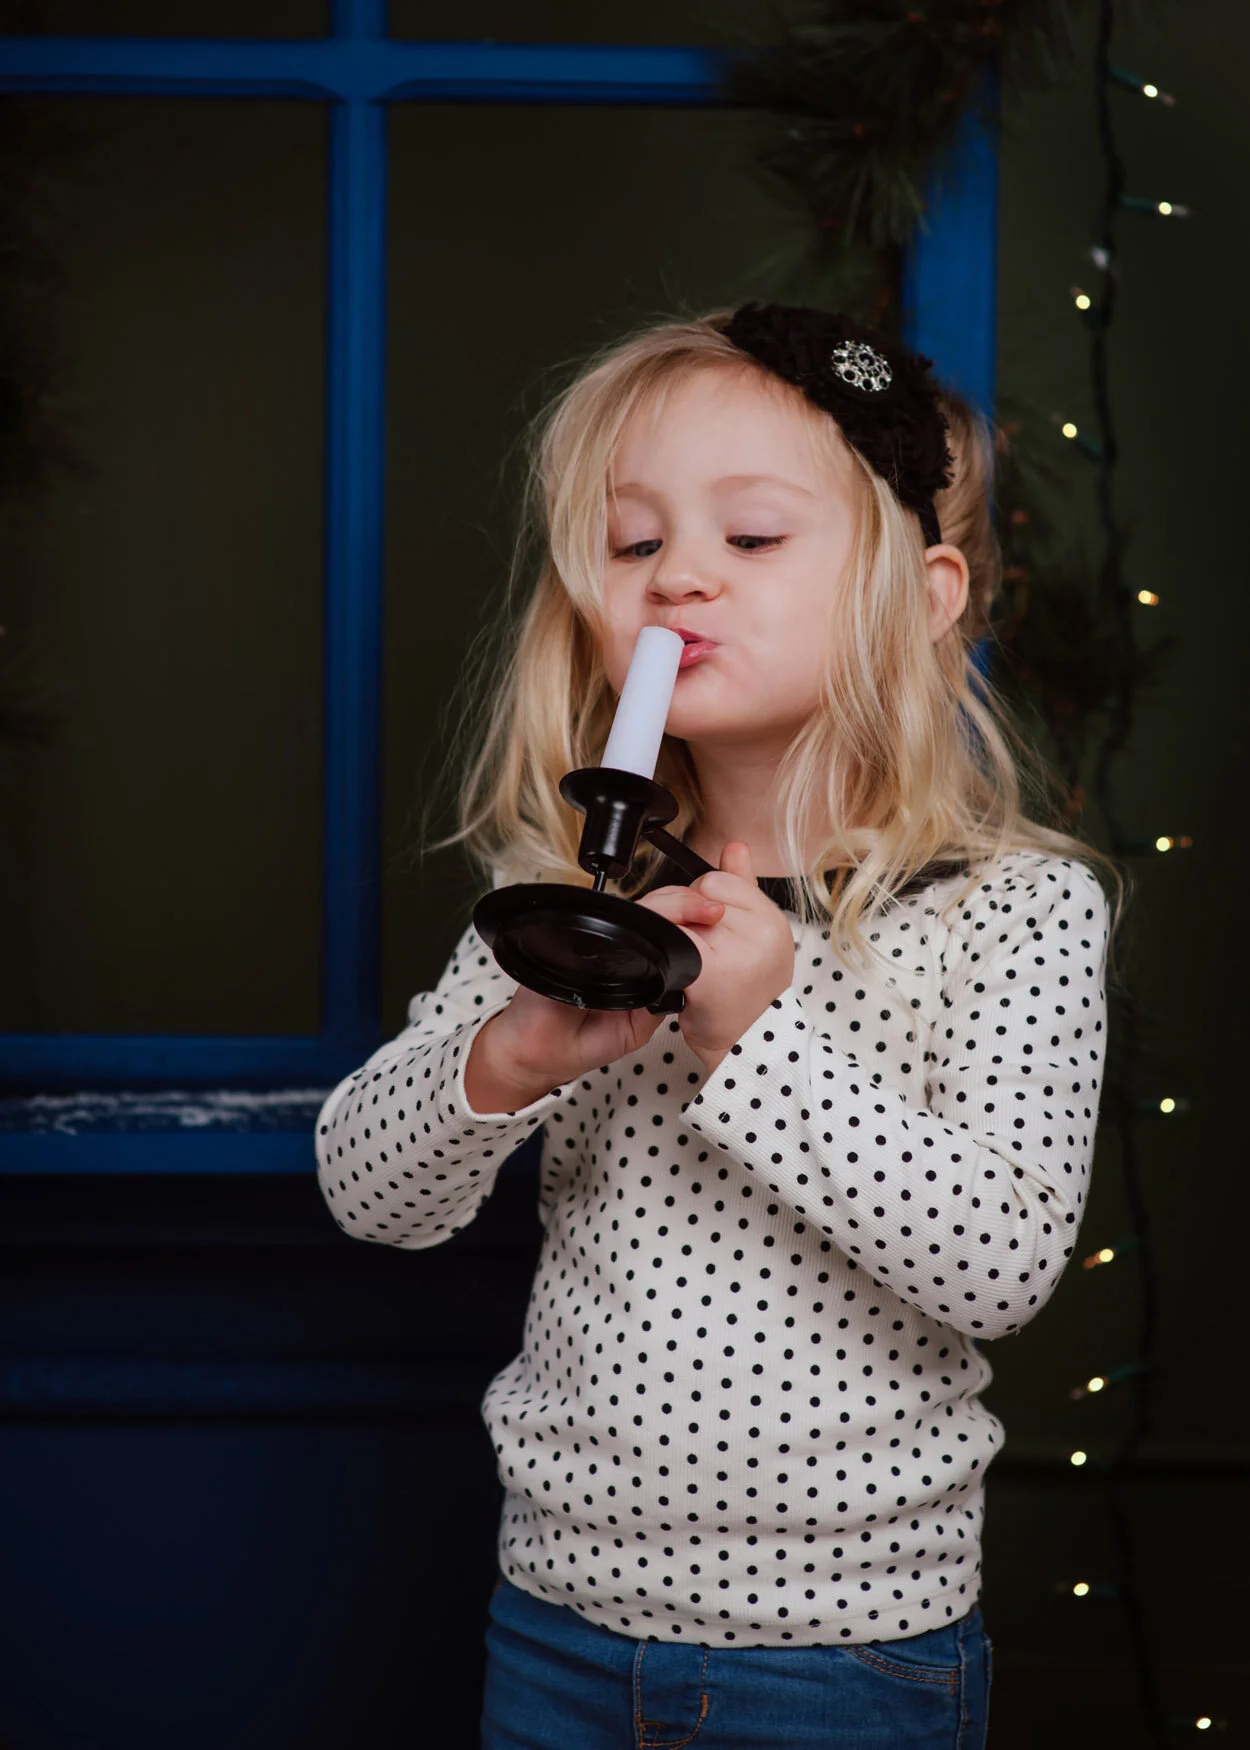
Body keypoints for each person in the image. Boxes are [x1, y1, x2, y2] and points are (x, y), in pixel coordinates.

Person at [314, 304, 1120, 1749]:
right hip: (555, 1621)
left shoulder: (1011, 911)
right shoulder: (558, 894)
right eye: (634, 545)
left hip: (845, 1654)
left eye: (748, 538)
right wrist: (498, 1063)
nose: (678, 576)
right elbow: (368, 1192)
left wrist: (761, 1027)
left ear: (922, 593)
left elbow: (999, 1262)